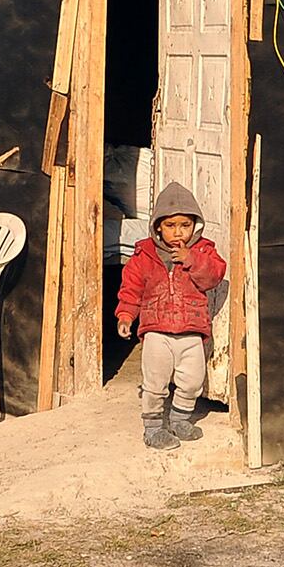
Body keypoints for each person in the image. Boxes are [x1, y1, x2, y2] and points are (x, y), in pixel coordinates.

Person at [114, 182, 228, 450]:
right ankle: (153, 428)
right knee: (155, 382)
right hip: (157, 331)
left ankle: (179, 420)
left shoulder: (202, 251)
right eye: (171, 226)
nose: (178, 232)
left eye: (185, 225)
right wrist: (126, 315)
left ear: (195, 226)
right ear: (157, 227)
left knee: (192, 381)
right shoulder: (144, 255)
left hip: (191, 329)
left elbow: (214, 276)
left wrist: (191, 259)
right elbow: (131, 288)